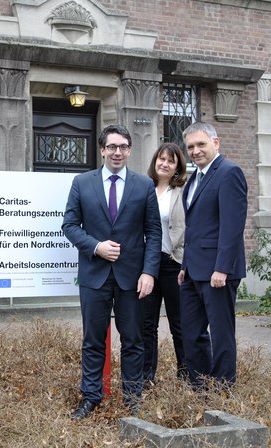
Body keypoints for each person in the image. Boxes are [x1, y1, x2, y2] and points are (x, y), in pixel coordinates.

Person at [62, 124, 161, 419]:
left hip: (132, 277)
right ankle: (91, 397)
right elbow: (69, 225)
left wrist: (149, 272)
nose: (117, 152)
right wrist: (96, 247)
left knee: (133, 340)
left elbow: (153, 232)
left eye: (123, 147)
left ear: (129, 150)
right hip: (94, 275)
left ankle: (133, 398)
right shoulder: (82, 182)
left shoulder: (144, 185)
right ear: (102, 149)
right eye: (112, 147)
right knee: (93, 340)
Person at [178, 122, 248, 390]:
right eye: (191, 147)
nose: (196, 151)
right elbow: (195, 227)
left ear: (215, 143)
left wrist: (222, 269)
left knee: (220, 333)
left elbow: (232, 227)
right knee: (191, 332)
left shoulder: (229, 173)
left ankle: (222, 389)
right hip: (193, 270)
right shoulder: (195, 178)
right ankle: (200, 387)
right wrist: (185, 265)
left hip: (218, 272)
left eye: (201, 144)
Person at [142, 143, 187, 385]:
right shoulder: (143, 188)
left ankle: (186, 375)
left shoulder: (182, 192)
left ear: (177, 167)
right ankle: (148, 377)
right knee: (147, 325)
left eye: (171, 161)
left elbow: (190, 229)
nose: (165, 164)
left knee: (178, 324)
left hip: (173, 264)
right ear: (155, 161)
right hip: (148, 266)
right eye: (161, 159)